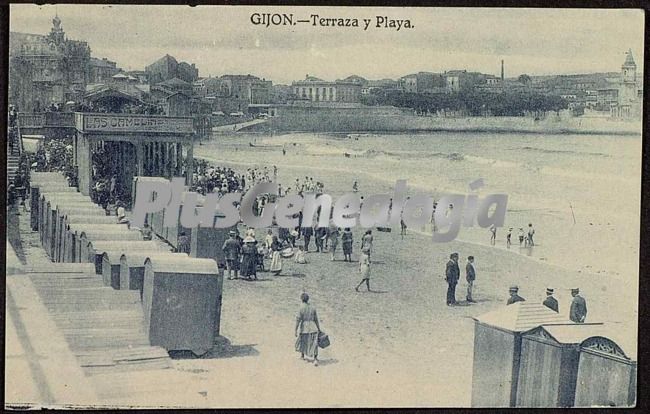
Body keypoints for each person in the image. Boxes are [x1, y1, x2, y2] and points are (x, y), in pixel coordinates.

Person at [295, 293, 321, 366]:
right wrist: (319, 328)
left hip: (304, 327)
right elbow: (316, 319)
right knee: (314, 343)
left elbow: (298, 319)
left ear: (301, 299)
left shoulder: (301, 308)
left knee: (303, 341)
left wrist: (295, 329)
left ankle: (302, 356)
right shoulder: (313, 307)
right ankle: (315, 358)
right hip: (313, 326)